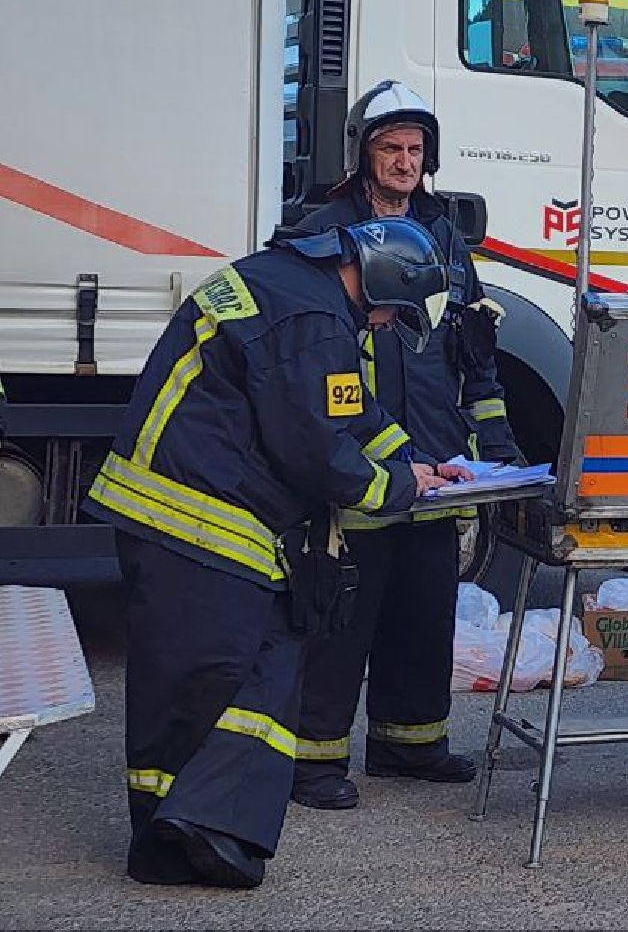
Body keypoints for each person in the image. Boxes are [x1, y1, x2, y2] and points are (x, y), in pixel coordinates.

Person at [83, 216, 464, 888]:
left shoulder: (298, 291)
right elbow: (315, 450)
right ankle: (173, 837)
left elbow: (347, 409)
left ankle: (202, 824)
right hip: (194, 517)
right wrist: (400, 489)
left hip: (199, 511)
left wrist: (415, 461)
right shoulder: (312, 319)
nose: (384, 326)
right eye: (392, 311)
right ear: (382, 279)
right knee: (206, 679)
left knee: (259, 660)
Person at [286, 80, 522, 811]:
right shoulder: (323, 231)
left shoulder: (443, 235)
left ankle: (409, 742)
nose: (405, 162)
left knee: (424, 610)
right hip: (358, 458)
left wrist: (496, 437)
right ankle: (312, 759)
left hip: (438, 458)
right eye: (391, 147)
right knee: (341, 615)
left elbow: (473, 347)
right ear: (363, 153)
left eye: (416, 149)